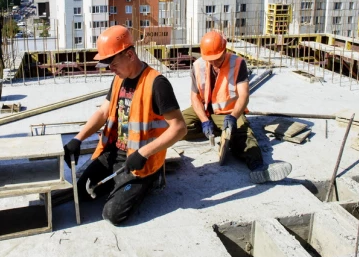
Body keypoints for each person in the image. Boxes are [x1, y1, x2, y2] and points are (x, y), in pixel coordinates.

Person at [63, 25, 187, 225]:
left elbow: (179, 128)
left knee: (113, 215)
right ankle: (120, 183)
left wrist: (143, 153)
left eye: (111, 62)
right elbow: (103, 112)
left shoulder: (157, 84)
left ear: (129, 55)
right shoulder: (119, 79)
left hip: (140, 160)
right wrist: (78, 139)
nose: (109, 68)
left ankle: (151, 179)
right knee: (82, 192)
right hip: (114, 152)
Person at [182, 31, 292, 184]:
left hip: (229, 113)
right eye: (210, 59)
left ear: (225, 51)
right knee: (177, 125)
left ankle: (258, 167)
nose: (213, 63)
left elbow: (244, 95)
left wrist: (234, 117)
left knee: (244, 134)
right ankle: (219, 131)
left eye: (217, 59)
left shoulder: (237, 64)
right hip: (206, 111)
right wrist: (204, 120)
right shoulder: (198, 65)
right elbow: (194, 97)